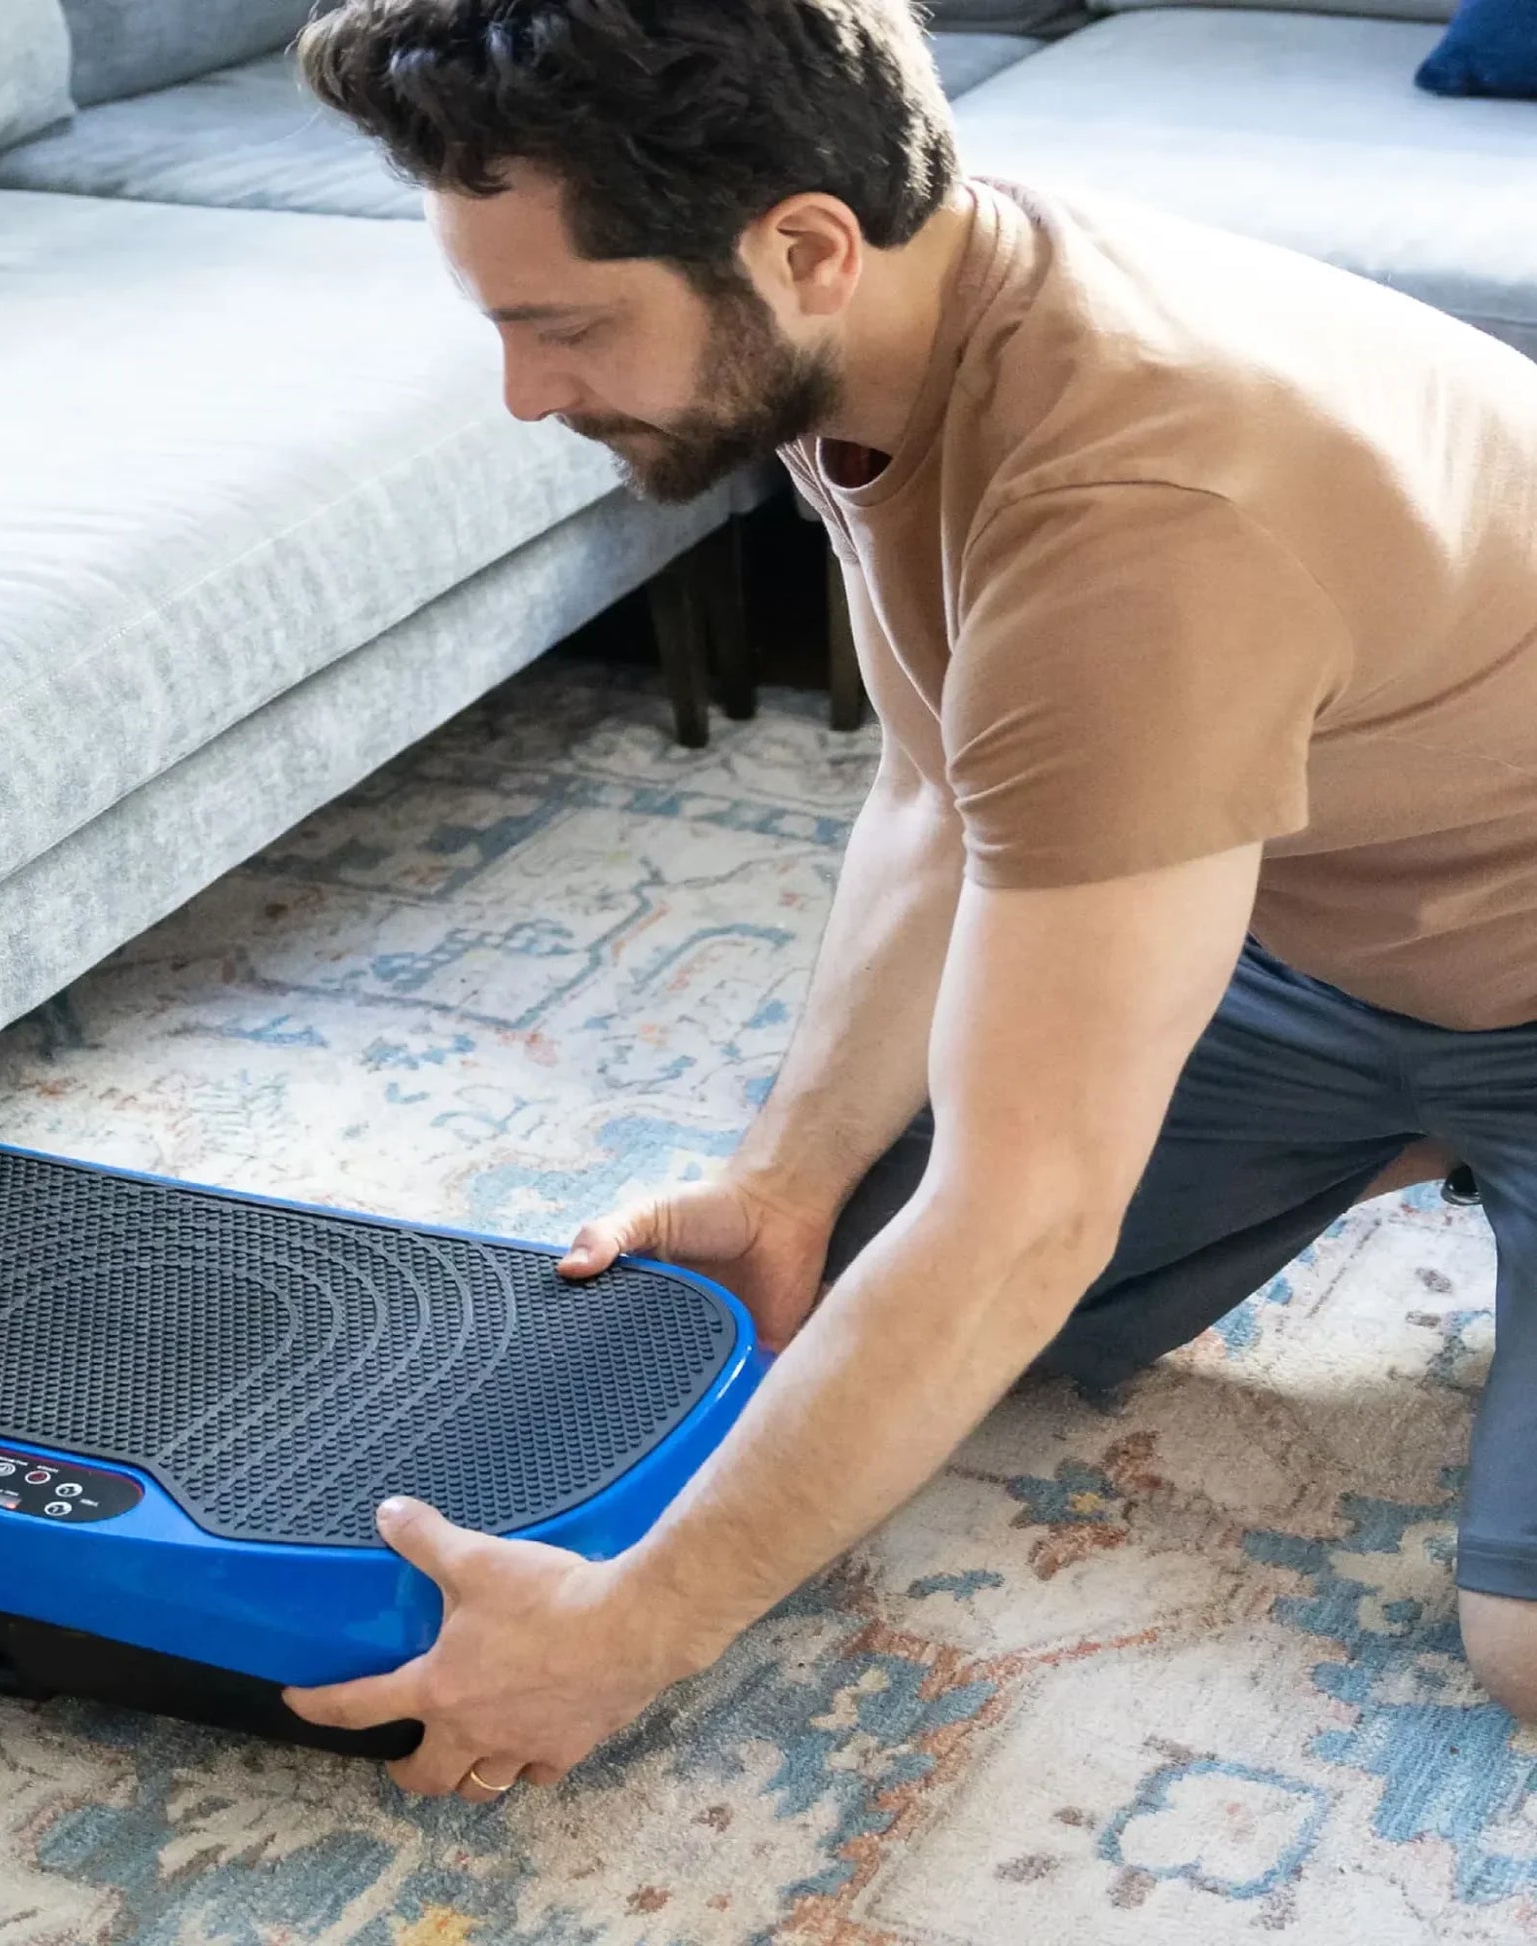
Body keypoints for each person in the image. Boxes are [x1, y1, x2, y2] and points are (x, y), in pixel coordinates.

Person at [281, 0, 1537, 1801]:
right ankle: (1403, 1134)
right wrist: (785, 1176)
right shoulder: (888, 326)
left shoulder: (1138, 511)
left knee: (1519, 1649)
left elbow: (1027, 1214)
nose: (526, 395)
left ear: (804, 247)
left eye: (564, 325)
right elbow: (941, 787)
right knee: (830, 1309)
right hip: (1328, 929)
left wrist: (634, 1626)